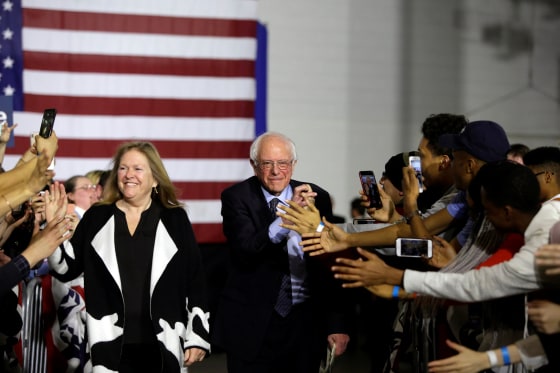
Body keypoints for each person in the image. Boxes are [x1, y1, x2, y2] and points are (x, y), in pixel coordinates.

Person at [48, 141, 210, 372]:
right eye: (123, 168)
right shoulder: (98, 216)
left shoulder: (175, 218)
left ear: (155, 178)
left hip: (163, 344)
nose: (128, 175)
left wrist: (198, 335)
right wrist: (52, 226)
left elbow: (195, 280)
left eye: (137, 168)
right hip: (109, 346)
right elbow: (66, 269)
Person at [212, 132, 351, 373]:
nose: (276, 171)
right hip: (253, 324)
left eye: (283, 163)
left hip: (306, 322)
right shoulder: (236, 197)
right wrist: (289, 215)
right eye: (267, 163)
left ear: (293, 165)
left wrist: (336, 323)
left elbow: (329, 266)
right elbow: (246, 250)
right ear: (254, 166)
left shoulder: (317, 197)